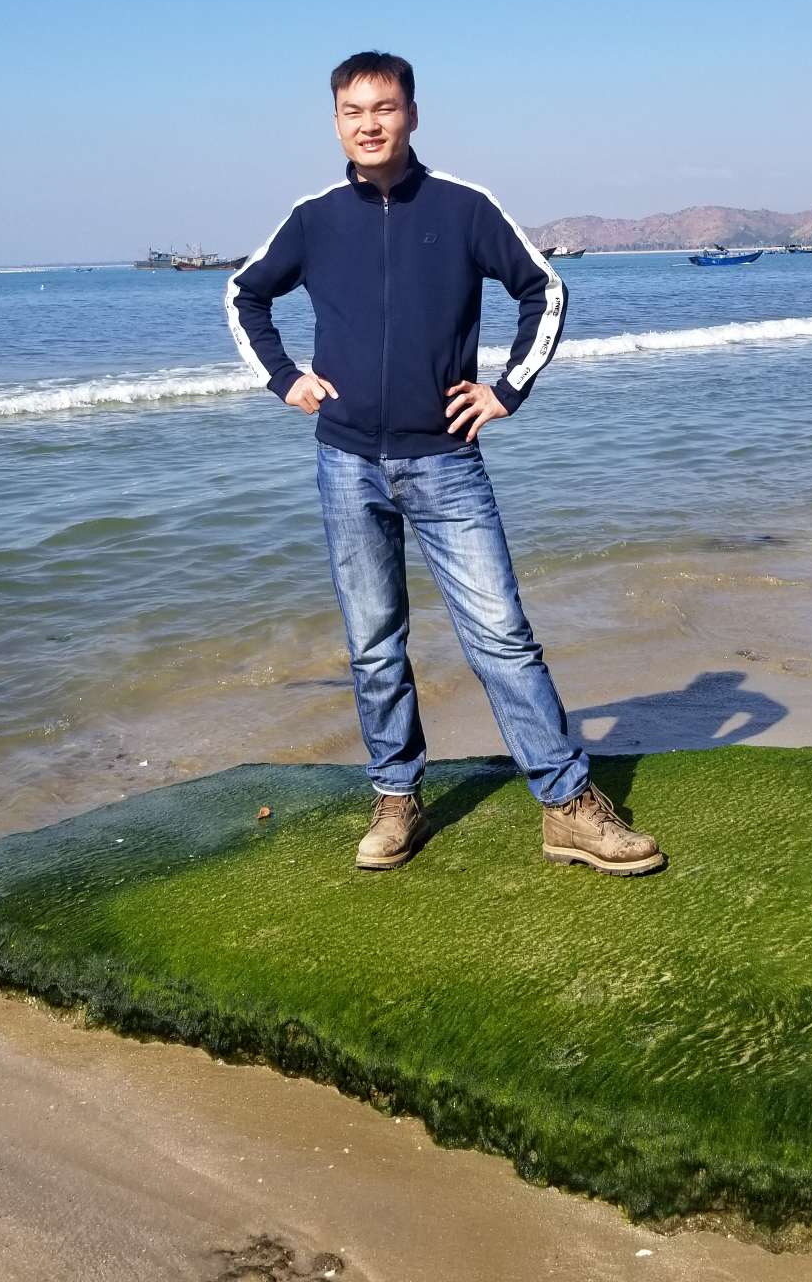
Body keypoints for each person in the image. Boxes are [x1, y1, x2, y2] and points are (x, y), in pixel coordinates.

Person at [226, 50, 664, 877]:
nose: (370, 124)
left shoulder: (464, 207)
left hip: (446, 463)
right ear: (336, 122)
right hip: (347, 464)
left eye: (384, 108)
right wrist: (285, 379)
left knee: (502, 637)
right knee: (373, 643)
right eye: (353, 112)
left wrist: (507, 389)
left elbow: (544, 290)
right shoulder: (314, 219)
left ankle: (568, 805)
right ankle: (397, 799)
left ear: (412, 114)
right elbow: (244, 294)